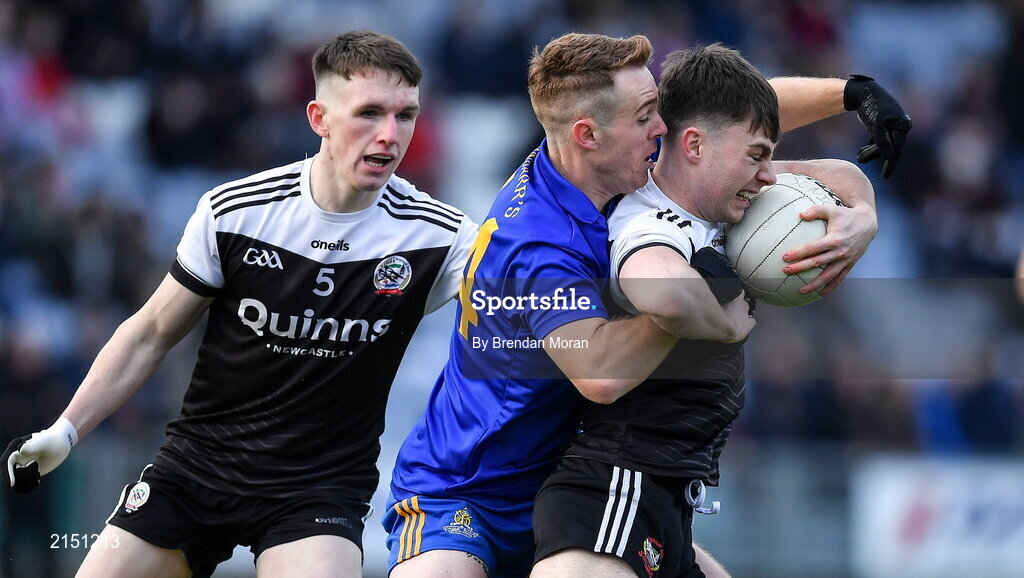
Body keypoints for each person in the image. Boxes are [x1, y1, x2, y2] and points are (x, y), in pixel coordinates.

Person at [384, 32, 909, 578]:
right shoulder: (539, 244)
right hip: (471, 489)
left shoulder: (614, 161)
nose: (663, 128)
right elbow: (599, 373)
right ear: (589, 135)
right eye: (645, 118)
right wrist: (715, 315)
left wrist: (853, 97)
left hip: (568, 479)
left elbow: (727, 119)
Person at [1, 30, 476, 578]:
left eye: (405, 115)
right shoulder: (237, 212)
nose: (390, 135)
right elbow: (150, 334)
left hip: (318, 490)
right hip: (196, 472)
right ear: (319, 118)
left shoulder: (441, 237)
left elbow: (524, 313)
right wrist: (65, 431)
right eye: (369, 113)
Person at [531, 43, 874, 578]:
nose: (768, 175)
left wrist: (863, 218)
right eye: (757, 156)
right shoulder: (651, 221)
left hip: (666, 502)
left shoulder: (716, 199)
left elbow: (836, 174)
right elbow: (660, 290)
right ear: (693, 145)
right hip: (613, 496)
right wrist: (723, 318)